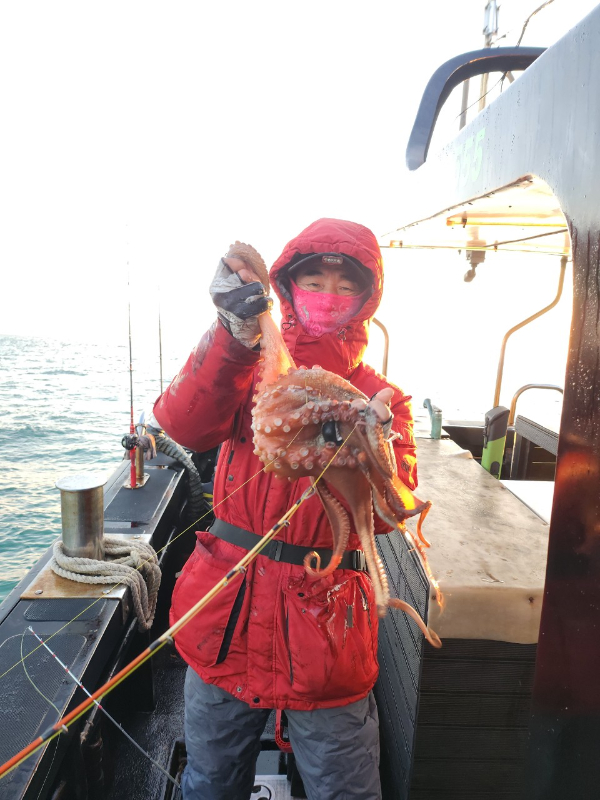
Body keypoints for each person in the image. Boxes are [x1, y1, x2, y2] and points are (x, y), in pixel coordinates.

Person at [153, 218, 418, 800]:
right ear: (288, 287)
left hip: (327, 631)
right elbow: (181, 424)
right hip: (226, 613)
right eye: (314, 279)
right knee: (210, 782)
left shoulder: (379, 398)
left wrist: (369, 444)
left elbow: (389, 515)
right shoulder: (249, 371)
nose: (328, 295)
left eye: (345, 285)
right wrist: (232, 333)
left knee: (344, 788)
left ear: (367, 298)